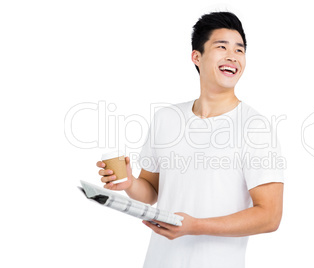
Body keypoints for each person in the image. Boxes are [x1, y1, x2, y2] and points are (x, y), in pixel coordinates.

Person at [97, 11, 285, 268]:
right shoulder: (166, 118)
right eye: (222, 47)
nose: (233, 56)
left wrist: (196, 226)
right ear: (197, 56)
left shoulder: (256, 127)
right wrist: (129, 182)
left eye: (239, 50)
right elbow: (151, 193)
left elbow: (270, 216)